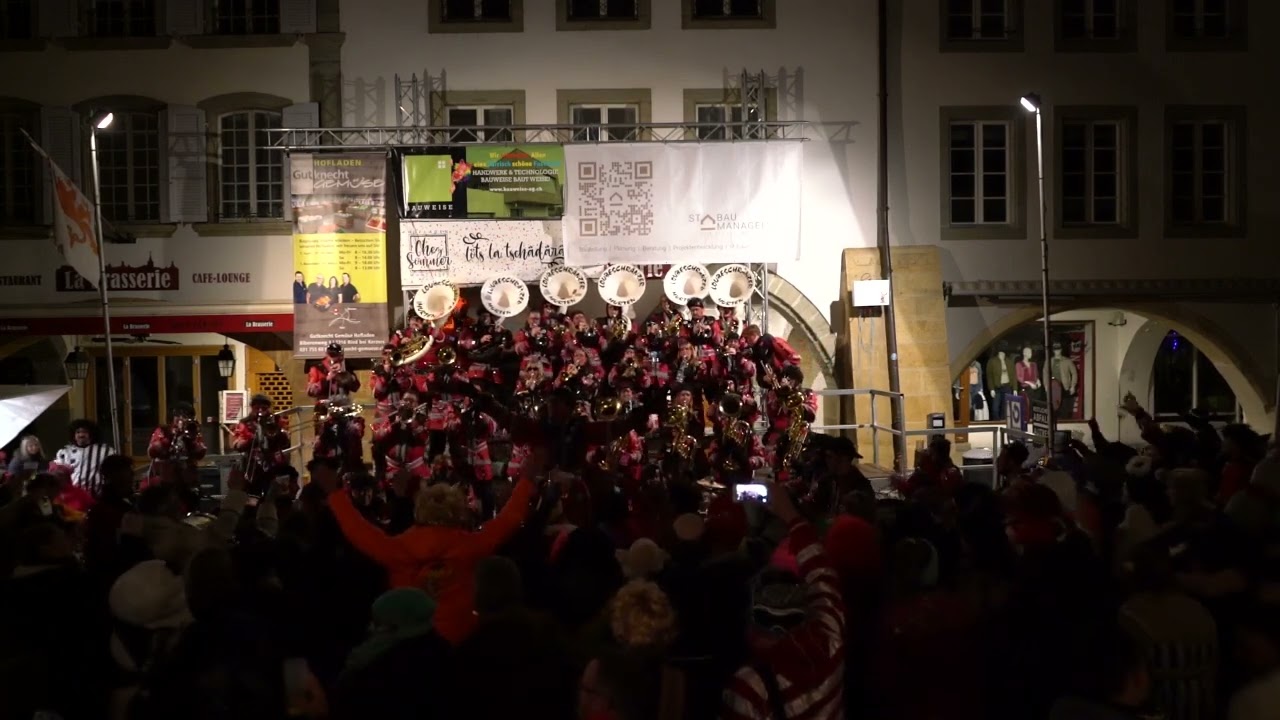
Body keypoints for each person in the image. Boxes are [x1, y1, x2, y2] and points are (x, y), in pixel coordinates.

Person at [318, 452, 541, 645]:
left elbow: (357, 530)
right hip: (462, 640)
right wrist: (526, 481)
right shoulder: (472, 545)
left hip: (409, 644)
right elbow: (508, 520)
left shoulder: (397, 549)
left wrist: (334, 494)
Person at [721, 482, 846, 719]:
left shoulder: (749, 687)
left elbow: (822, 577)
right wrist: (790, 515)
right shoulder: (830, 639)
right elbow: (823, 576)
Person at [146, 403, 207, 487]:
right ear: (172, 417)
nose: (181, 419)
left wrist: (190, 441)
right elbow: (152, 452)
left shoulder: (192, 431)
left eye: (185, 416)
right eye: (178, 415)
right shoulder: (163, 431)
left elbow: (200, 454)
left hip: (187, 479)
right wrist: (170, 437)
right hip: (165, 479)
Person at [54, 418, 116, 497]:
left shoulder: (106, 451)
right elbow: (58, 474)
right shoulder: (64, 453)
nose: (81, 435)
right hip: (73, 497)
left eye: (85, 432)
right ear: (73, 434)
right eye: (78, 432)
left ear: (92, 434)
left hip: (97, 495)